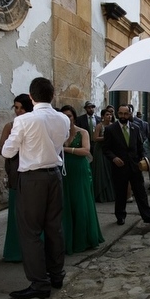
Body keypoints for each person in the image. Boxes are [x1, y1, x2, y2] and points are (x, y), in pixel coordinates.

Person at [1, 77, 70, 299]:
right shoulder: (62, 119)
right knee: (54, 227)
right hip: (54, 175)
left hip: (33, 178)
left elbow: (7, 152)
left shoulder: (25, 120)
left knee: (30, 231)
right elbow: (62, 141)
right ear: (52, 95)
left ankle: (39, 282)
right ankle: (56, 273)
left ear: (31, 97)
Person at [102, 105, 150, 225]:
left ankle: (147, 216)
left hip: (135, 166)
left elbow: (140, 146)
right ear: (117, 114)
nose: (123, 116)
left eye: (125, 114)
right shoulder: (110, 129)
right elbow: (106, 149)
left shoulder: (135, 128)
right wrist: (114, 158)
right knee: (121, 193)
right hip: (119, 167)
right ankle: (120, 216)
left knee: (141, 193)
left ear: (129, 114)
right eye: (121, 113)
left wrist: (144, 157)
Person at [0, 94, 33, 262]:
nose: (18, 111)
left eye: (21, 108)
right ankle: (16, 250)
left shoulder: (34, 124)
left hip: (32, 169)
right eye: (16, 108)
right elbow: (3, 150)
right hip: (15, 169)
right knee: (17, 210)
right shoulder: (10, 126)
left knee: (32, 211)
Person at [59, 106, 104, 253]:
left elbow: (86, 150)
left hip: (80, 170)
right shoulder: (58, 133)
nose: (67, 119)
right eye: (64, 116)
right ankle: (67, 240)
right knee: (66, 203)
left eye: (70, 116)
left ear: (74, 117)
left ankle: (83, 239)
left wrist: (65, 149)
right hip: (64, 171)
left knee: (81, 202)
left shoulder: (82, 132)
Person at [92, 108, 115, 203]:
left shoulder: (113, 126)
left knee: (110, 170)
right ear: (102, 116)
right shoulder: (99, 126)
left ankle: (110, 194)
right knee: (101, 171)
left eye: (110, 115)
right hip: (100, 150)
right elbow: (95, 138)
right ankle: (100, 194)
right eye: (107, 115)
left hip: (110, 149)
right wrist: (106, 138)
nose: (109, 116)